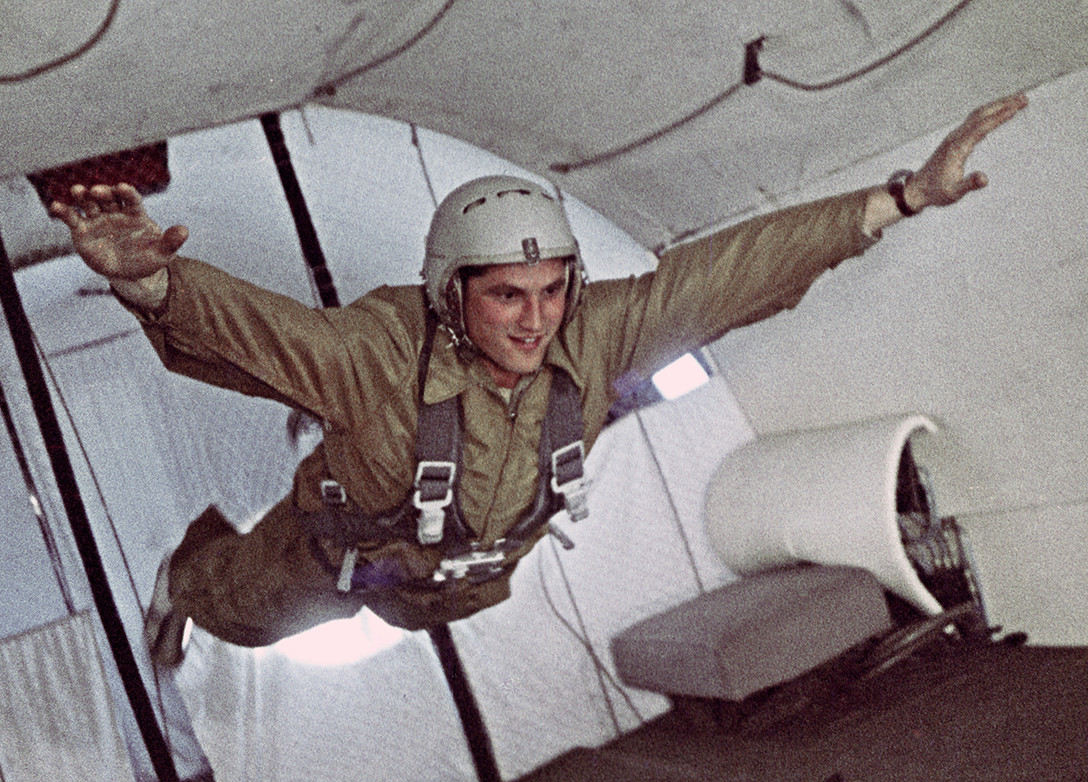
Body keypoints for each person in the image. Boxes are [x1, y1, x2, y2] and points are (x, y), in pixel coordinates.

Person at [51, 94, 1028, 667]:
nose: (534, 319)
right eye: (507, 295)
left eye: (553, 289)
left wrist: (900, 197)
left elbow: (728, 272)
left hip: (464, 578)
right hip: (330, 551)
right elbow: (255, 332)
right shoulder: (383, 354)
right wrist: (148, 278)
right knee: (249, 616)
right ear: (452, 292)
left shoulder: (593, 335)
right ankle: (184, 572)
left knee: (444, 601)